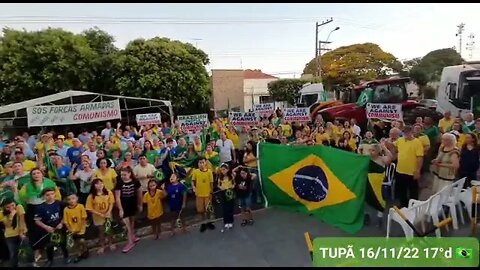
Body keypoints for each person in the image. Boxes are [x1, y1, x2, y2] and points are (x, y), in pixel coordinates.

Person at [33, 188, 70, 267]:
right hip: (49, 229)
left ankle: (66, 257)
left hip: (60, 227)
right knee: (49, 245)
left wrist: (61, 223)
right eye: (47, 195)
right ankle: (50, 260)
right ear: (43, 196)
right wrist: (46, 227)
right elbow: (37, 220)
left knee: (63, 243)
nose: (50, 196)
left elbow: (66, 214)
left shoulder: (60, 204)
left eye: (52, 194)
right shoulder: (40, 207)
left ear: (55, 194)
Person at [393, 126, 424, 208]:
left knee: (413, 191)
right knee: (402, 190)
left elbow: (420, 157)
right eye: (405, 132)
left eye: (408, 132)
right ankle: (403, 205)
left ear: (412, 132)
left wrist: (418, 170)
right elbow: (393, 146)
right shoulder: (400, 140)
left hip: (412, 171)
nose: (406, 134)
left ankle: (414, 206)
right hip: (400, 170)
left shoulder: (417, 142)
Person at [114, 167, 142, 253]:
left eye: (124, 174)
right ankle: (130, 242)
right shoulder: (119, 183)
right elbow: (117, 198)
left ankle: (132, 236)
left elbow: (139, 193)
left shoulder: (135, 181)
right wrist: (120, 209)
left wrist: (140, 204)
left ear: (130, 174)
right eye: (121, 174)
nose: (123, 176)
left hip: (132, 204)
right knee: (127, 225)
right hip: (124, 205)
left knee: (132, 221)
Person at [85, 178, 115, 255]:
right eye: (97, 184)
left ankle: (111, 243)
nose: (100, 185)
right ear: (94, 186)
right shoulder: (91, 196)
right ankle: (102, 246)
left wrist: (108, 212)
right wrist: (100, 214)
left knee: (109, 229)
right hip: (98, 216)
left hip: (108, 214)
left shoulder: (108, 192)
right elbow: (89, 208)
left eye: (101, 183)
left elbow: (111, 203)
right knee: (101, 231)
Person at [0, 197, 30, 267]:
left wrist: (21, 232)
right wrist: (11, 216)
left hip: (21, 233)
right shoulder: (1, 213)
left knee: (26, 251)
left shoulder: (19, 207)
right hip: (10, 236)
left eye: (13, 205)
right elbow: (8, 225)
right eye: (7, 207)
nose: (11, 208)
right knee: (13, 253)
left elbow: (22, 221)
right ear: (4, 207)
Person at [62, 193, 88, 263]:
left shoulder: (80, 206)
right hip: (72, 229)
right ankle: (79, 254)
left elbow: (83, 218)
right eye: (69, 199)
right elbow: (66, 221)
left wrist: (79, 228)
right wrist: (69, 229)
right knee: (76, 243)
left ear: (77, 199)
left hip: (81, 228)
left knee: (82, 241)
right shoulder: (66, 209)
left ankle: (85, 249)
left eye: (73, 198)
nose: (71, 201)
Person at [191, 157, 215, 232]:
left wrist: (211, 192)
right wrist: (193, 187)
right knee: (201, 211)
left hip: (208, 194)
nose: (201, 164)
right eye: (200, 163)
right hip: (199, 195)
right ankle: (203, 224)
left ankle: (209, 222)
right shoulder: (195, 172)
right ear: (198, 164)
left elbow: (211, 183)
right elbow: (192, 181)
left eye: (203, 162)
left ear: (205, 163)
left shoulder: (209, 172)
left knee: (208, 210)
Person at [217, 163, 235, 232]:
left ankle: (230, 221)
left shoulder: (231, 176)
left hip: (230, 192)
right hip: (223, 192)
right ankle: (226, 221)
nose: (223, 171)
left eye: (224, 169)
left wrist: (232, 187)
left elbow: (234, 184)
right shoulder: (220, 177)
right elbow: (218, 185)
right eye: (222, 170)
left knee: (230, 206)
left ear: (227, 170)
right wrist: (221, 188)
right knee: (225, 207)